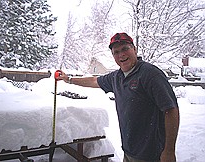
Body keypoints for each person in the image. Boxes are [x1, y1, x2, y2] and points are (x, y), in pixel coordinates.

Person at [56, 32, 180, 162]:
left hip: (152, 154)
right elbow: (94, 81)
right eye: (116, 52)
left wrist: (169, 151)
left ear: (134, 49)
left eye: (125, 49)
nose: (121, 55)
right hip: (129, 151)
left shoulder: (150, 74)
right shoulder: (117, 77)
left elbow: (171, 110)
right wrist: (68, 79)